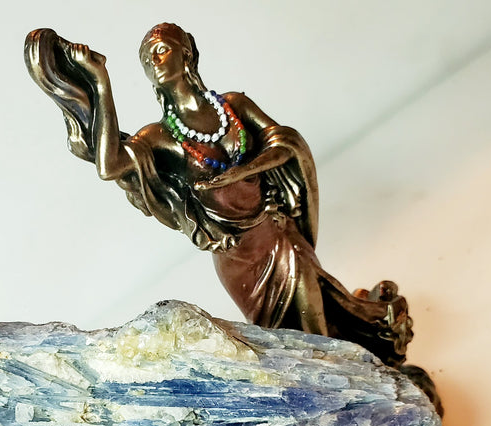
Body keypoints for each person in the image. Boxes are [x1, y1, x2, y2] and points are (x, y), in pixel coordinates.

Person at [26, 23, 418, 370]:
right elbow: (110, 165)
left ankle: (370, 386)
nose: (154, 61)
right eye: (146, 59)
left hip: (280, 235)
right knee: (293, 349)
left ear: (186, 53)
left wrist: (239, 172)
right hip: (239, 257)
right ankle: (349, 402)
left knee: (320, 329)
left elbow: (284, 143)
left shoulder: (233, 105)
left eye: (161, 49)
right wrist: (99, 82)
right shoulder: (160, 138)